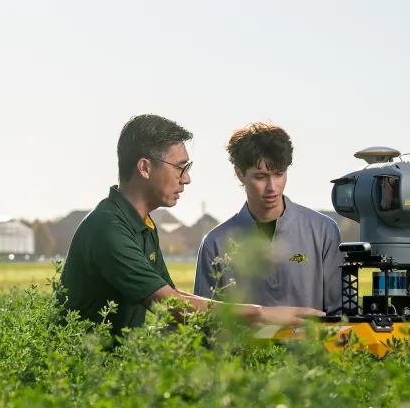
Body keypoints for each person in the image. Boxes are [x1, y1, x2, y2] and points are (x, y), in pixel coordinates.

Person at [59, 114, 325, 344]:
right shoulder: (108, 228)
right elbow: (171, 306)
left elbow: (174, 296)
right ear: (144, 167)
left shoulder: (142, 225)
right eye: (180, 167)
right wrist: (262, 313)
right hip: (85, 375)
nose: (186, 178)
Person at [193, 122, 344, 313]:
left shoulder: (324, 231)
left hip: (311, 343)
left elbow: (340, 313)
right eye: (261, 177)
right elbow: (205, 320)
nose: (272, 187)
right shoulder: (214, 242)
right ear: (239, 174)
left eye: (279, 174)